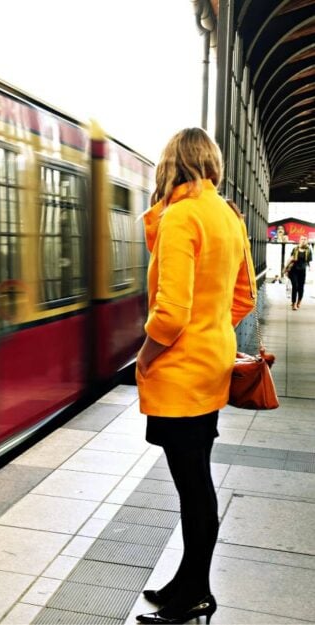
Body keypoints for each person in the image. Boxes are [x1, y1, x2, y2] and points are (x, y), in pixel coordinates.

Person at [135, 128, 256, 625]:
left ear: (171, 163)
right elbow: (243, 297)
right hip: (211, 369)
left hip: (181, 374)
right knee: (194, 481)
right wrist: (211, 334)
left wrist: (145, 357)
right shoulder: (226, 215)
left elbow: (170, 315)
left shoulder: (182, 216)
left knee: (193, 484)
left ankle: (196, 593)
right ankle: (187, 582)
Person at [284, 235, 311, 310]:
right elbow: (291, 259)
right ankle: (293, 303)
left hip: (302, 271)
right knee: (295, 286)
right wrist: (286, 269)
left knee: (301, 287)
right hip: (294, 270)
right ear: (299, 240)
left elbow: (309, 261)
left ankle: (299, 301)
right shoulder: (295, 249)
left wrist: (310, 267)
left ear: (307, 241)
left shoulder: (308, 250)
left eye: (305, 239)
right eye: (302, 239)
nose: (303, 240)